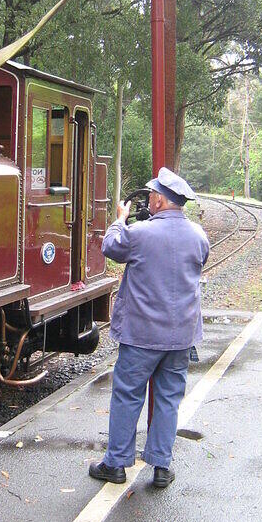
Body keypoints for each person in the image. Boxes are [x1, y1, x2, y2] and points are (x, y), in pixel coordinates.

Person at [89, 167, 209, 488]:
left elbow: (111, 247)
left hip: (141, 336)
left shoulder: (140, 233)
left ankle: (116, 463)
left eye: (153, 194)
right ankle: (161, 467)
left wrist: (120, 219)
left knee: (128, 395)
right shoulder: (198, 236)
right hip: (181, 337)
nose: (151, 198)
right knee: (169, 399)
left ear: (158, 199)